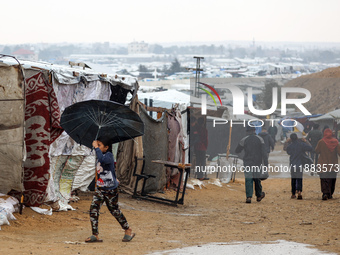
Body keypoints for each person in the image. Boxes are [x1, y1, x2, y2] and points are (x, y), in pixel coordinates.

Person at [85, 137, 135, 243]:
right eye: (96, 145)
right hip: (100, 189)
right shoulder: (99, 156)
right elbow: (109, 169)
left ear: (106, 147)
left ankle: (128, 230)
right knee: (93, 210)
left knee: (114, 210)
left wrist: (96, 148)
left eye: (99, 145)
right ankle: (95, 234)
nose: (97, 147)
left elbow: (104, 161)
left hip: (110, 190)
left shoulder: (109, 156)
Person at [235, 125, 268, 203]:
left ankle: (249, 197)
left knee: (248, 179)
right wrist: (266, 164)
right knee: (257, 179)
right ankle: (259, 195)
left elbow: (237, 150)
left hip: (247, 162)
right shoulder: (260, 139)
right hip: (257, 162)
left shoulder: (244, 139)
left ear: (247, 131)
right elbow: (264, 153)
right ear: (254, 131)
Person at [315, 128, 340, 200]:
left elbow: (317, 151)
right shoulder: (336, 142)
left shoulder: (321, 142)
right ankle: (330, 193)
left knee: (324, 179)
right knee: (332, 179)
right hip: (333, 164)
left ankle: (325, 193)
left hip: (323, 163)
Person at [286, 133, 313, 200]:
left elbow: (287, 150)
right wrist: (306, 141)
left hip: (292, 164)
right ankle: (299, 191)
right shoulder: (301, 145)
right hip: (300, 164)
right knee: (299, 178)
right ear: (297, 138)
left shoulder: (290, 146)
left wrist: (287, 142)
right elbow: (310, 148)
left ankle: (293, 193)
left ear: (291, 139)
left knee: (293, 179)